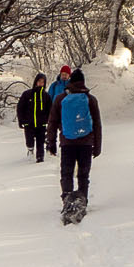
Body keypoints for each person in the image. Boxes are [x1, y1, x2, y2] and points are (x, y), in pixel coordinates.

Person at [46, 67, 102, 217]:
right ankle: (82, 201)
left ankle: (67, 199)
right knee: (83, 175)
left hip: (67, 142)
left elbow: (52, 122)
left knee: (67, 173)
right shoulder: (90, 99)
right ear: (83, 82)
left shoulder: (60, 98)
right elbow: (97, 123)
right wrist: (97, 146)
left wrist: (51, 143)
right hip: (86, 142)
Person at [15, 73, 50, 162]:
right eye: (39, 81)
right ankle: (30, 150)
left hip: (41, 124)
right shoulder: (27, 94)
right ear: (35, 82)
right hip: (29, 123)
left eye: (43, 82)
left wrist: (48, 121)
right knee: (29, 141)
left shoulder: (46, 96)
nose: (40, 83)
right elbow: (20, 108)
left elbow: (50, 109)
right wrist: (21, 120)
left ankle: (40, 158)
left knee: (40, 142)